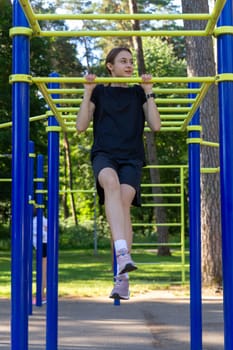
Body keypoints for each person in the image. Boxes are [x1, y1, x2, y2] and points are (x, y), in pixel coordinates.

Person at [76, 47, 161, 300]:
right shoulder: (100, 92)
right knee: (110, 182)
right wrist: (87, 92)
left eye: (131, 61)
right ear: (110, 66)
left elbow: (155, 125)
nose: (129, 65)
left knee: (124, 202)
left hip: (131, 158)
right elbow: (81, 126)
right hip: (105, 154)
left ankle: (122, 278)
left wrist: (149, 92)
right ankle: (123, 254)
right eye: (123, 61)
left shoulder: (137, 92)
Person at [33, 208, 47, 303]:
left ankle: (41, 294)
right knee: (44, 270)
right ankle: (42, 293)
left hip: (43, 245)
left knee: (43, 270)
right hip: (43, 245)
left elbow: (43, 233)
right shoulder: (42, 219)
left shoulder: (36, 220)